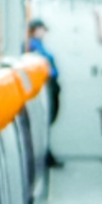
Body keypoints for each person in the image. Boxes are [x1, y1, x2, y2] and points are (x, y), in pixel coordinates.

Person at [25, 18, 63, 167]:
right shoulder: (31, 46)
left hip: (50, 85)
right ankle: (46, 155)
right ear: (34, 30)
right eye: (42, 29)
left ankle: (47, 153)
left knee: (49, 118)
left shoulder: (38, 45)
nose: (44, 33)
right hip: (44, 85)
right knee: (44, 119)